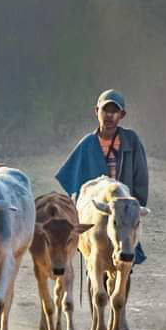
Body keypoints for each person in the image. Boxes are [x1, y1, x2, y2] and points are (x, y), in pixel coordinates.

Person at [55, 88, 149, 264]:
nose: (110, 116)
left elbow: (141, 177)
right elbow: (73, 181)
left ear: (122, 115)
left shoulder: (131, 141)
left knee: (124, 263)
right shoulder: (87, 144)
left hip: (123, 214)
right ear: (96, 111)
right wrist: (80, 208)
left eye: (115, 111)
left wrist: (135, 208)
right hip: (96, 213)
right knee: (96, 263)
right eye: (106, 110)